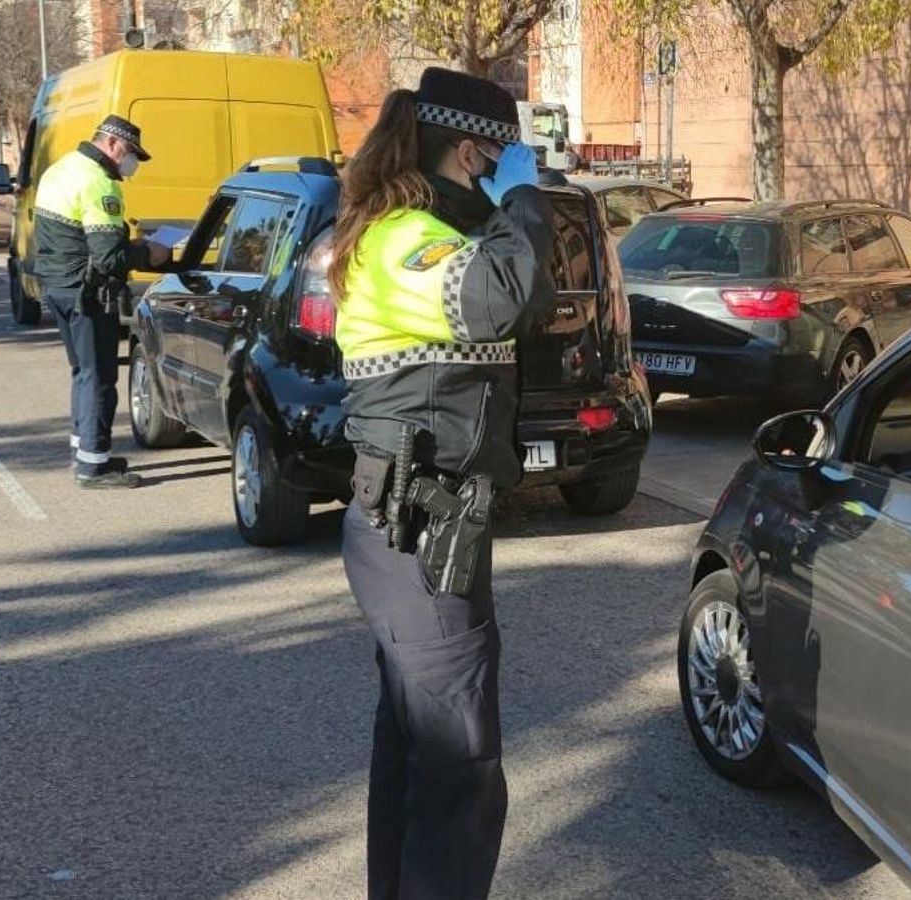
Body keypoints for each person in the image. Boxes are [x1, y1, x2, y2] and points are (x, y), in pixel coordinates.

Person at [331, 68, 553, 898]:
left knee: (417, 746)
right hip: (415, 528)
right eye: (493, 165)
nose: (498, 183)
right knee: (460, 759)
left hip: (429, 526)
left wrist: (509, 206)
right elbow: (504, 295)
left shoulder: (420, 232)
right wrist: (525, 199)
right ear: (468, 152)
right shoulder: (404, 237)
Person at [31, 115, 169, 488]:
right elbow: (109, 257)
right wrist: (147, 253)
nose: (132, 163)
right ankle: (94, 466)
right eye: (130, 154)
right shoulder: (98, 183)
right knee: (100, 377)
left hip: (59, 288)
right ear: (111, 144)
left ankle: (86, 448)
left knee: (82, 372)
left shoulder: (60, 170)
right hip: (88, 293)